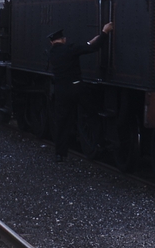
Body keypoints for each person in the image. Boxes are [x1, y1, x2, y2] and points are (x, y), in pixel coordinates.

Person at [47, 21, 114, 162]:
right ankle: (99, 142)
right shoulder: (69, 49)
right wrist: (104, 32)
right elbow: (92, 48)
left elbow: (88, 45)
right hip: (77, 88)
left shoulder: (52, 53)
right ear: (63, 39)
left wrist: (93, 40)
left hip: (61, 91)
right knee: (92, 113)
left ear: (52, 42)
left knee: (62, 122)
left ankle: (60, 154)